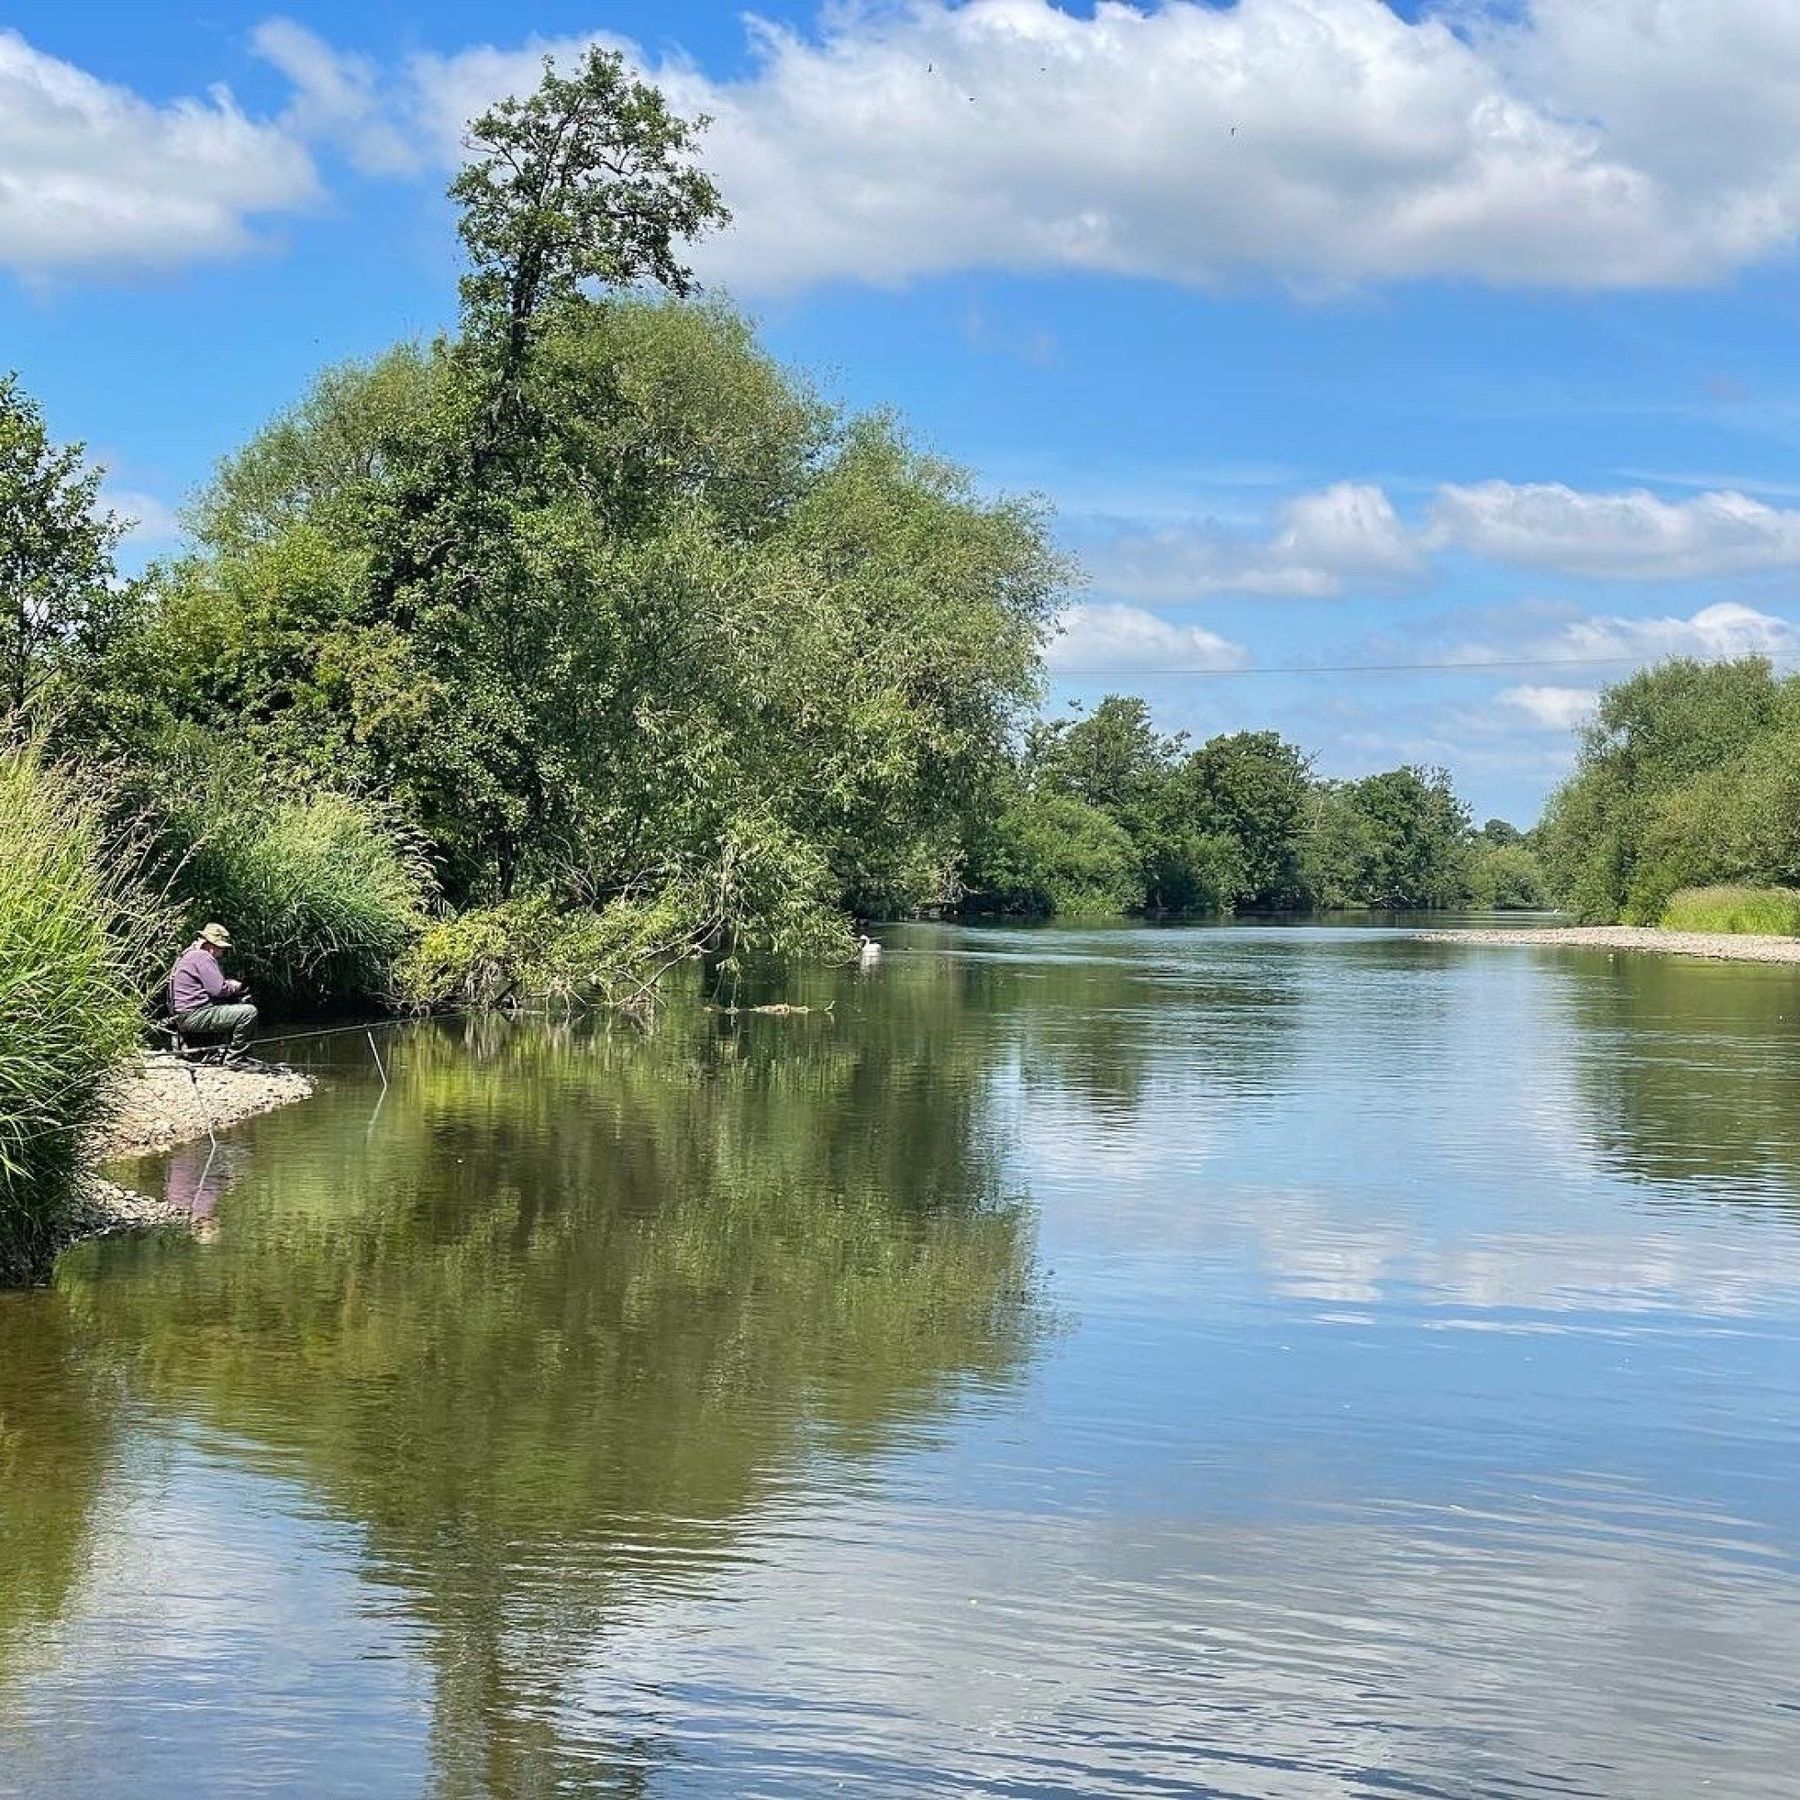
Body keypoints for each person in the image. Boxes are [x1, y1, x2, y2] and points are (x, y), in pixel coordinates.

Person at [167, 923, 258, 1063]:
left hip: (182, 1015)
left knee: (232, 1005)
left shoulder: (188, 954)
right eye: (221, 948)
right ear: (211, 945)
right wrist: (235, 986)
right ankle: (235, 1059)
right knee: (248, 1012)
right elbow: (218, 989)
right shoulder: (203, 957)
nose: (222, 952)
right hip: (194, 1015)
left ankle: (218, 1051)